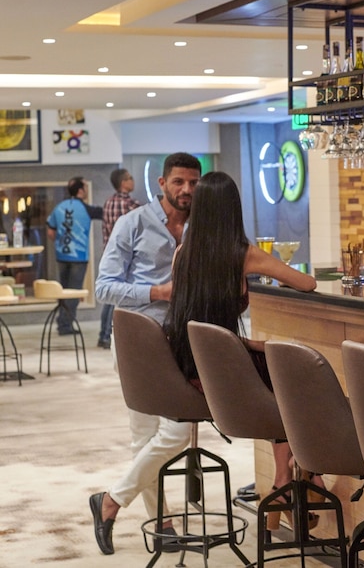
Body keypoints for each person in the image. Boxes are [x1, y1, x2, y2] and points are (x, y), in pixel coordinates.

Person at [162, 171, 317, 532]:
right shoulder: (243, 254)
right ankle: (289, 480)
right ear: (233, 210)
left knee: (276, 364)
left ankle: (285, 481)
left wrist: (248, 344)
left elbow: (200, 324)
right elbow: (307, 283)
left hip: (191, 367)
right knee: (292, 377)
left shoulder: (182, 253)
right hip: (224, 373)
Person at [88, 152, 202, 556]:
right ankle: (163, 524)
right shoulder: (132, 223)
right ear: (162, 183)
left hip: (182, 340)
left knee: (173, 432)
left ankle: (111, 500)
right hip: (138, 340)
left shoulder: (202, 227)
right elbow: (103, 287)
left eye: (193, 182)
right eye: (179, 182)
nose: (186, 189)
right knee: (149, 435)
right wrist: (157, 292)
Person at [46, 176, 103, 335]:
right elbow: (104, 214)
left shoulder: (59, 207)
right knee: (73, 292)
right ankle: (66, 325)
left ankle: (62, 321)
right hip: (78, 256)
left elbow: (50, 232)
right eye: (85, 187)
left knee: (63, 290)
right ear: (80, 190)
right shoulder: (87, 209)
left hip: (61, 255)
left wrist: (61, 241)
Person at [97, 168, 141, 348]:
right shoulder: (132, 205)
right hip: (128, 258)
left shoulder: (108, 202)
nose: (133, 180)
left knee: (109, 296)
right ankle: (108, 335)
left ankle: (103, 333)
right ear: (123, 183)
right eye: (130, 178)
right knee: (118, 298)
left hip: (109, 255)